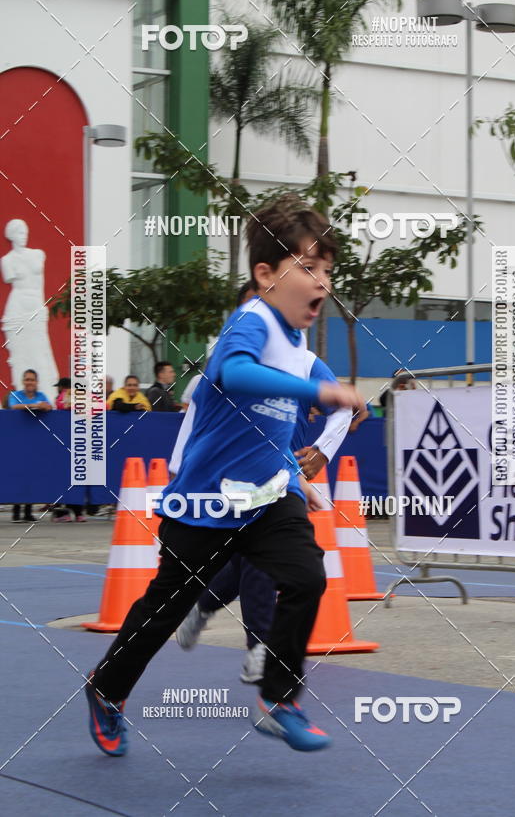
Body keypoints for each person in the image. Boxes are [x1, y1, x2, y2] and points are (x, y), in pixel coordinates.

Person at [85, 193, 364, 756]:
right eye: (308, 269)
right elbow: (236, 374)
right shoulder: (251, 321)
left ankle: (277, 696)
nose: (322, 284)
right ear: (266, 274)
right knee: (163, 609)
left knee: (308, 576)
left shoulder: (302, 348)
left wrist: (314, 459)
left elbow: (341, 406)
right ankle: (107, 689)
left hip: (266, 496)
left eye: (327, 272)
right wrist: (317, 391)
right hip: (206, 498)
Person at [173, 281, 353, 683]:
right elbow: (193, 419)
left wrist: (322, 449)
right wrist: (179, 473)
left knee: (261, 562)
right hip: (224, 476)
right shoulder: (223, 363)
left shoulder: (305, 363)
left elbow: (346, 408)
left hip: (278, 481)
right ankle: (205, 607)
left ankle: (256, 646)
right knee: (244, 560)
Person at [1, 218, 59, 398]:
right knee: (20, 354)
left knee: (41, 350)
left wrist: (42, 308)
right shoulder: (7, 260)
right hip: (17, 306)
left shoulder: (38, 254)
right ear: (11, 236)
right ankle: (21, 394)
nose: (23, 236)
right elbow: (10, 279)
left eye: (25, 232)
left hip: (35, 304)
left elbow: (40, 285)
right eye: (19, 233)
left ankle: (47, 395)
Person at [9, 369, 51, 522]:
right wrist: (35, 405)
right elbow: (14, 407)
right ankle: (16, 510)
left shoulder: (42, 396)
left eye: (32, 380)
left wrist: (43, 406)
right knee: (17, 475)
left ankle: (27, 511)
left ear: (36, 382)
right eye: (27, 379)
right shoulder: (16, 395)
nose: (29, 382)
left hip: (35, 442)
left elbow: (48, 407)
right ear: (23, 382)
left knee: (31, 475)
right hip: (18, 442)